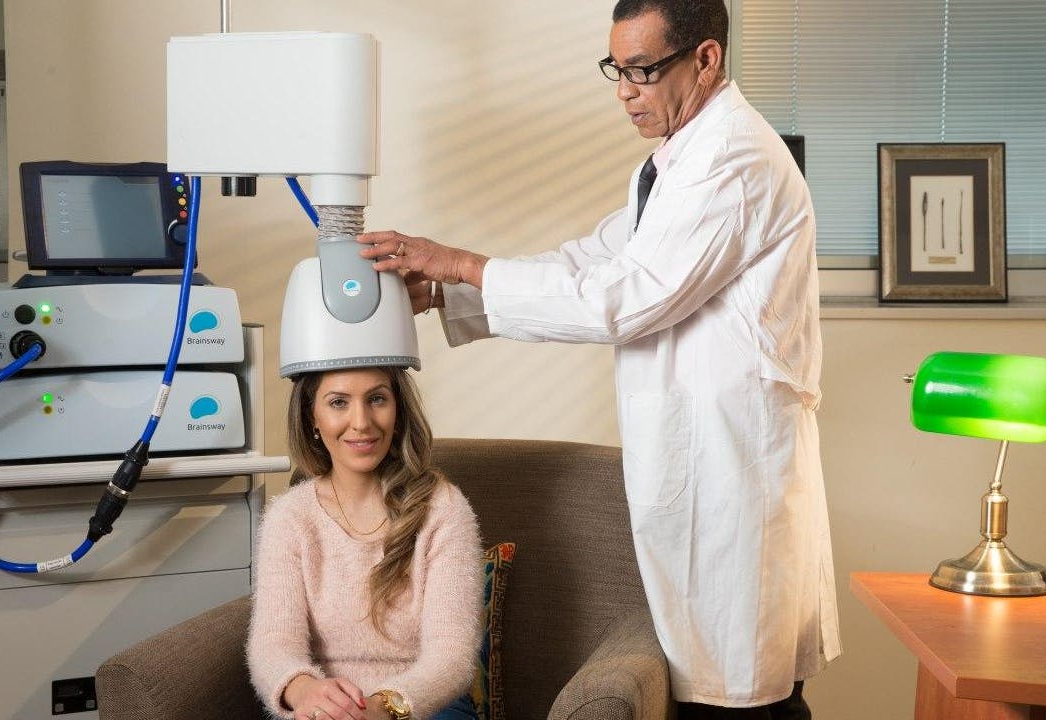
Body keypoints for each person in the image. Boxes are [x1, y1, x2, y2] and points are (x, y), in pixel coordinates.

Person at [356, 1, 839, 717]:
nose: (625, 90)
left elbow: (623, 298)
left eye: (644, 71)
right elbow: (594, 260)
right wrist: (447, 294)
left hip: (732, 478)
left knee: (746, 701)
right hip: (698, 469)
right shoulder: (674, 163)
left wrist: (460, 263)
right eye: (618, 69)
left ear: (706, 60)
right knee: (717, 691)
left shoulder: (735, 160)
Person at [246, 366, 483, 720]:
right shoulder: (290, 517)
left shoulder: (444, 509)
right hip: (323, 709)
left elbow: (453, 655)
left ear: (399, 411)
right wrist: (306, 690)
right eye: (338, 402)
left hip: (423, 708)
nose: (361, 422)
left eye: (376, 399)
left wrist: (383, 706)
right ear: (312, 417)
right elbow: (273, 644)